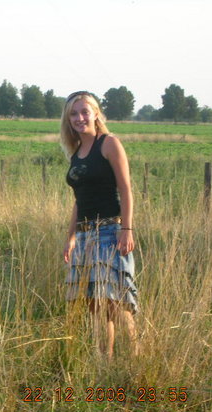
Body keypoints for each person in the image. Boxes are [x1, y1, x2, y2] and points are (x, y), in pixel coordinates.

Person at [61, 91, 139, 360]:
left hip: (109, 233)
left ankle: (136, 359)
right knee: (95, 305)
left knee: (117, 302)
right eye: (73, 113)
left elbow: (126, 190)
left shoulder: (109, 144)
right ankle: (104, 363)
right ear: (68, 119)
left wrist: (126, 229)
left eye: (84, 111)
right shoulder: (76, 153)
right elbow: (78, 201)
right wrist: (71, 237)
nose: (79, 118)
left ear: (96, 113)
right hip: (84, 237)